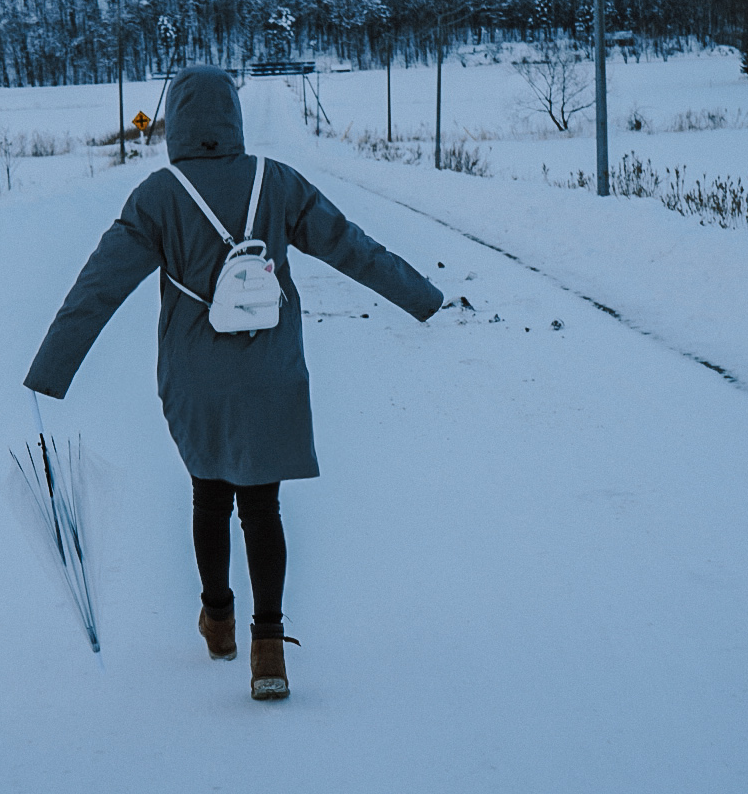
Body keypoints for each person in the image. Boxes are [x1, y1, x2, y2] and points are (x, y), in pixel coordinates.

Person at [24, 65, 442, 700]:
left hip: (194, 379)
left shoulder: (158, 195)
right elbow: (350, 246)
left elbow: (98, 287)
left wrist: (51, 370)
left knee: (210, 495)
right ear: (232, 119)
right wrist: (421, 296)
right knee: (262, 506)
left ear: (178, 122)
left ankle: (218, 621)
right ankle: (268, 647)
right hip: (270, 373)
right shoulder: (277, 182)